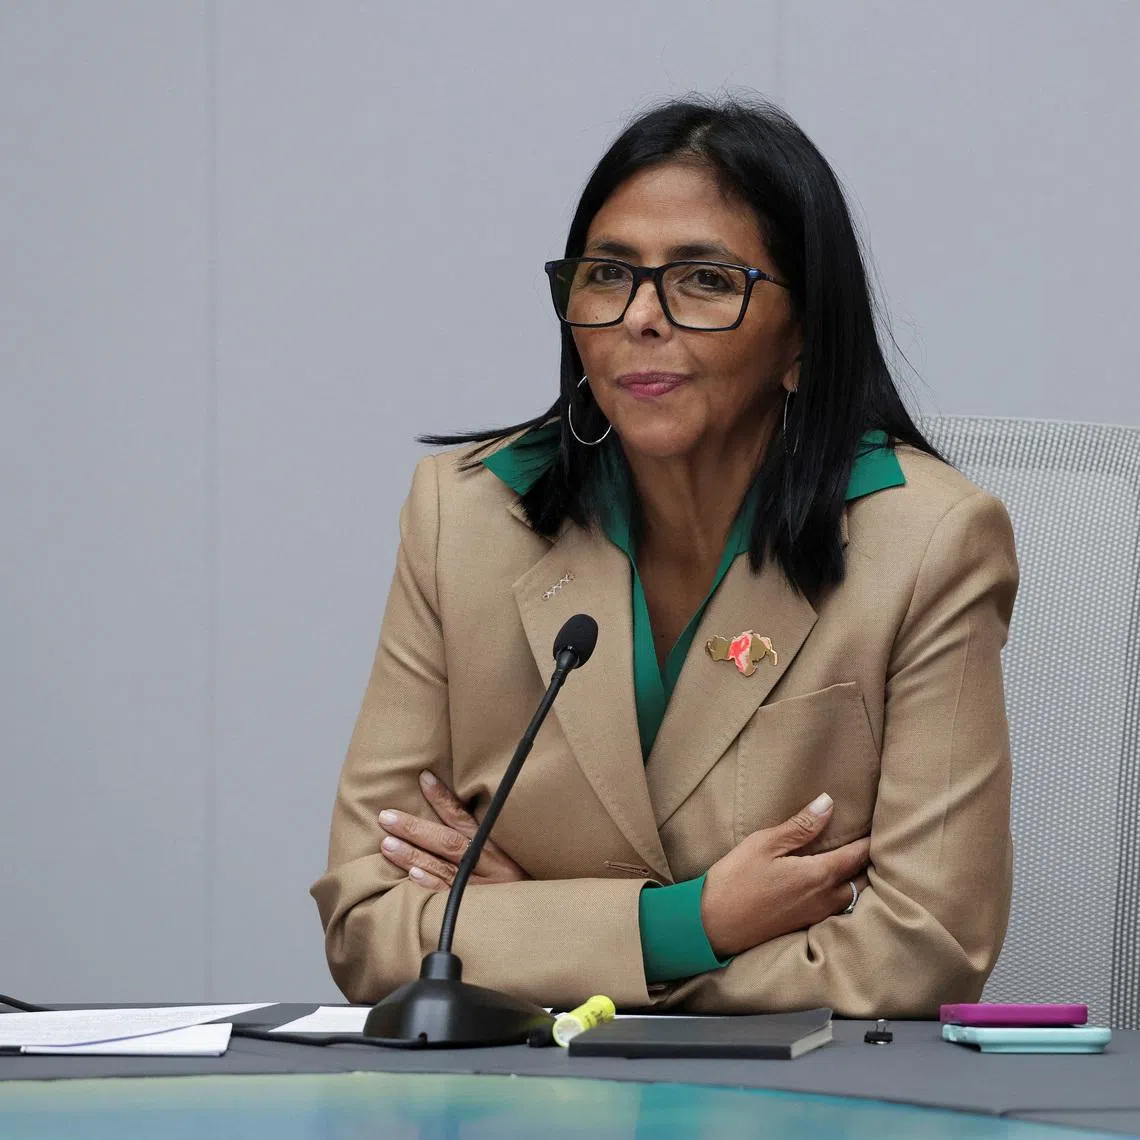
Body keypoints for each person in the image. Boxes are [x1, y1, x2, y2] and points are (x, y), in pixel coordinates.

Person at [311, 96, 1018, 1018]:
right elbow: (369, 926)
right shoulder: (466, 519)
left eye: (706, 281)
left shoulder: (928, 542)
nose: (641, 317)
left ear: (803, 334)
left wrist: (523, 936)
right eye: (609, 275)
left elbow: (923, 951)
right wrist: (691, 925)